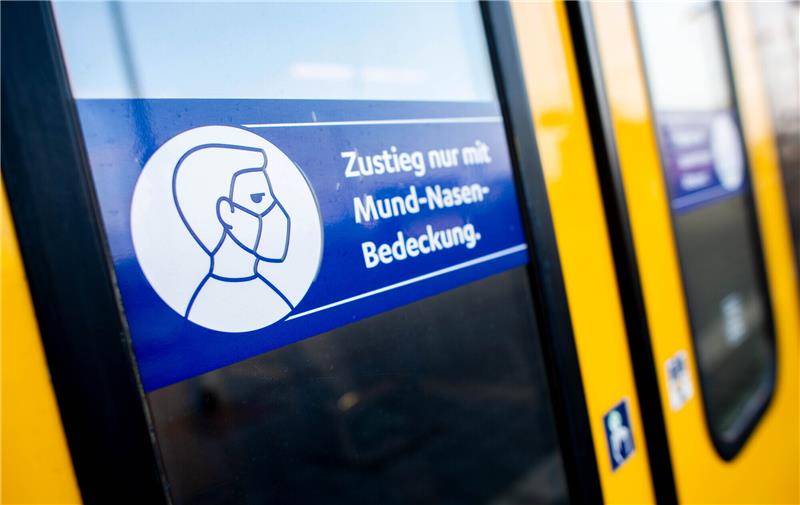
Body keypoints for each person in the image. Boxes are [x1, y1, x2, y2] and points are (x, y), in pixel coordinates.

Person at [172, 144, 292, 332]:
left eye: (273, 199)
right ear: (226, 212)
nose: (277, 212)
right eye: (258, 199)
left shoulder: (271, 296)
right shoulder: (208, 306)